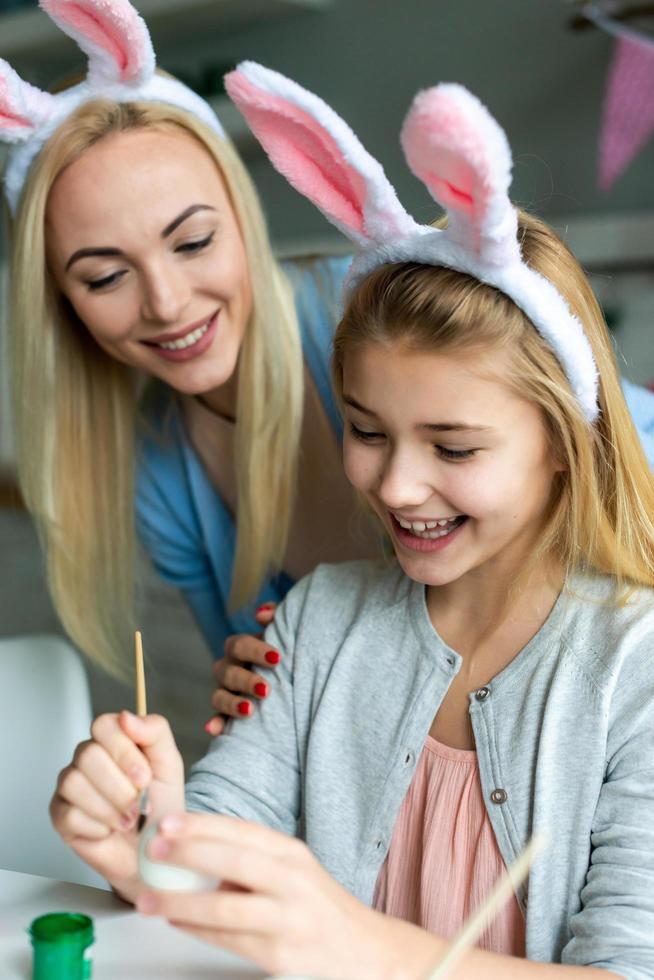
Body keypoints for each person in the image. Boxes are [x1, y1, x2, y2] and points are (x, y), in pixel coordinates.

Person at [50, 66, 654, 979]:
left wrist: (360, 943)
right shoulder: (318, 616)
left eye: (454, 449)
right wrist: (141, 840)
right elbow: (207, 869)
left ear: (566, 444)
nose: (399, 487)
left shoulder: (629, 676)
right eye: (366, 431)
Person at [1, 0, 379, 733]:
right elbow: (267, 737)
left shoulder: (373, 310)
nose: (169, 304)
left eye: (194, 241)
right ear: (63, 306)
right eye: (106, 278)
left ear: (241, 217)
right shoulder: (160, 475)